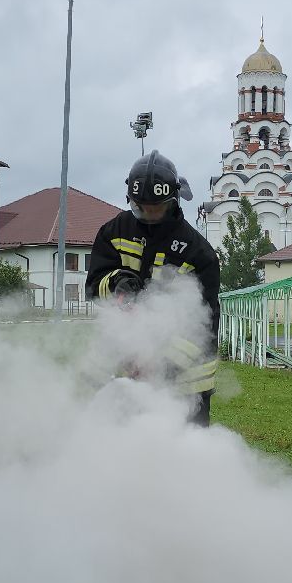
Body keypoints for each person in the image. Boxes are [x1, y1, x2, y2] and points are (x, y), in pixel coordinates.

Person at [87, 151, 220, 425]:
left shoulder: (199, 253)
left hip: (187, 379)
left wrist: (160, 368)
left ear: (174, 200)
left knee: (187, 447)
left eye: (156, 207)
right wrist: (115, 282)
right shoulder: (114, 232)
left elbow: (204, 325)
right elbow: (94, 287)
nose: (149, 215)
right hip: (127, 365)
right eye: (141, 207)